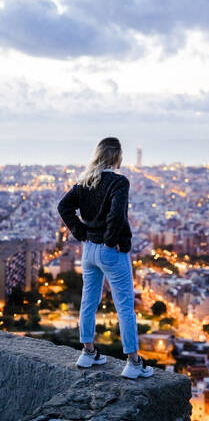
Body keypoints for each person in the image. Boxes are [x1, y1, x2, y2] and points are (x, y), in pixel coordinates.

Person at [57, 136, 154, 379]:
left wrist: (81, 232)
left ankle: (88, 352)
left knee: (89, 300)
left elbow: (64, 207)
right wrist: (111, 241)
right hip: (110, 251)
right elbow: (117, 215)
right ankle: (133, 362)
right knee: (125, 307)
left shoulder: (85, 182)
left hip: (88, 250)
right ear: (117, 156)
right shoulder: (119, 182)